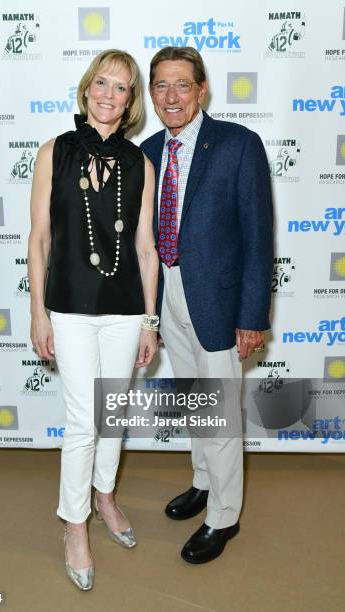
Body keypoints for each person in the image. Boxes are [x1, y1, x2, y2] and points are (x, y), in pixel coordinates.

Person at [28, 49, 158, 590]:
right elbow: (38, 240)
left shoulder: (139, 163)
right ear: (86, 91)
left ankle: (104, 495)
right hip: (72, 307)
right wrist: (38, 313)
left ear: (131, 102)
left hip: (126, 309)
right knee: (85, 420)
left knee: (112, 414)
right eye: (101, 82)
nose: (109, 93)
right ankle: (74, 523)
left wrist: (150, 321)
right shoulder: (53, 152)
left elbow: (145, 247)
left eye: (122, 87)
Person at [141, 47, 273, 564]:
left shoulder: (239, 145)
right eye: (161, 86)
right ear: (151, 94)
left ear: (201, 90)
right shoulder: (148, 150)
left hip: (218, 302)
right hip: (167, 293)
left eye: (181, 85)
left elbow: (258, 237)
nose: (171, 96)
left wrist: (251, 315)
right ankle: (201, 482)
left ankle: (224, 516)